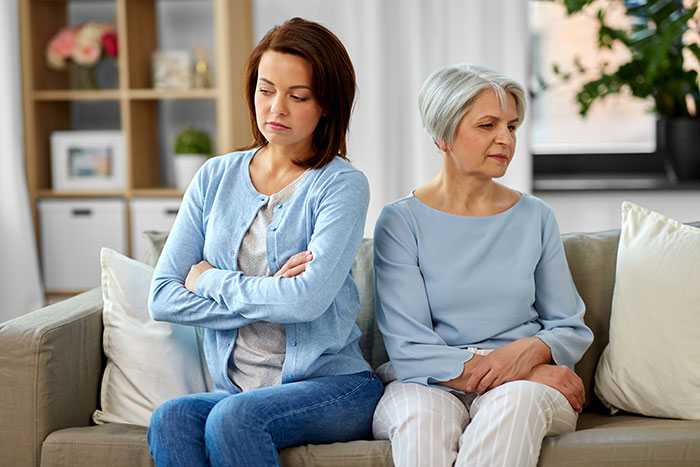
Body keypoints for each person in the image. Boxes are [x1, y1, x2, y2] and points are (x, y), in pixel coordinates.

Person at [146, 18, 383, 467]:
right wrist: (271, 291)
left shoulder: (341, 185)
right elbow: (162, 298)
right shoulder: (215, 176)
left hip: (336, 386)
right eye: (266, 90)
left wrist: (210, 279)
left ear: (328, 105)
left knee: (234, 419)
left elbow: (305, 302)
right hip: (240, 391)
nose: (277, 108)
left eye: (298, 97)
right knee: (171, 418)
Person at [371, 63, 594, 467]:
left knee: (514, 408)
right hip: (429, 383)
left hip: (527, 387)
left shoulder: (535, 217)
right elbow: (408, 345)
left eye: (511, 126)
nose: (504, 139)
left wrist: (529, 352)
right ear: (443, 135)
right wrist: (517, 368)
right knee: (421, 422)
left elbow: (569, 325)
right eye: (487, 125)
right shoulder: (401, 221)